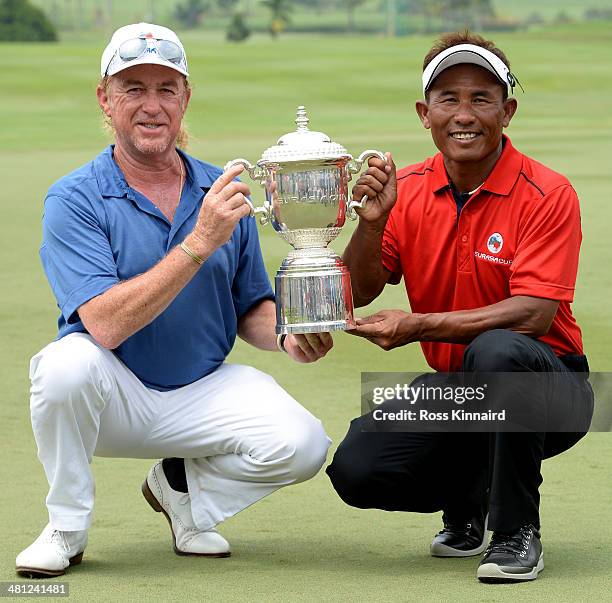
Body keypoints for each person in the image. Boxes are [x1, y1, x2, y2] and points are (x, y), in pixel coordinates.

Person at [16, 22, 332, 579]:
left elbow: (249, 306)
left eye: (167, 89)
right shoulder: (74, 197)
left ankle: (182, 489)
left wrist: (288, 335)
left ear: (186, 99)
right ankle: (66, 526)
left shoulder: (221, 188)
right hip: (112, 394)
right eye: (133, 88)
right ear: (105, 100)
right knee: (63, 366)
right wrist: (199, 241)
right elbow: (105, 325)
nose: (151, 105)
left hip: (202, 391)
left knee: (304, 443)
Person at [326, 32, 593, 583]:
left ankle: (517, 532)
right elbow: (360, 289)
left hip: (555, 390)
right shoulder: (408, 188)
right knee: (357, 468)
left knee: (498, 351)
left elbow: (534, 314)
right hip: (464, 392)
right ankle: (470, 498)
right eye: (448, 99)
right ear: (425, 114)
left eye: (481, 98)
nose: (464, 114)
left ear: (508, 111)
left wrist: (419, 324)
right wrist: (371, 225)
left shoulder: (549, 191)